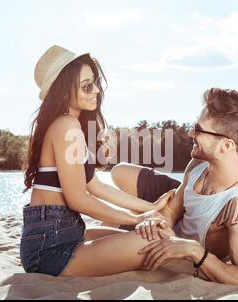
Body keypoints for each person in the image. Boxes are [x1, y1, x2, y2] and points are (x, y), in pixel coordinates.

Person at [20, 45, 174, 277]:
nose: (96, 91)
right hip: (50, 248)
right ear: (63, 93)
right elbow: (78, 199)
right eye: (86, 86)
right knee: (160, 241)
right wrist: (135, 218)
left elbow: (95, 186)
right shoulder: (66, 126)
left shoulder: (71, 126)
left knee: (156, 237)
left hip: (65, 233)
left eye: (95, 82)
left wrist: (150, 208)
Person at [111, 88, 238, 285]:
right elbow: (172, 211)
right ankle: (136, 218)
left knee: (106, 241)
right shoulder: (199, 163)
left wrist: (194, 250)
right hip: (179, 221)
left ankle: (130, 221)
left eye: (199, 129)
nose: (190, 132)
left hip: (191, 241)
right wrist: (157, 222)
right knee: (120, 173)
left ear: (226, 146)